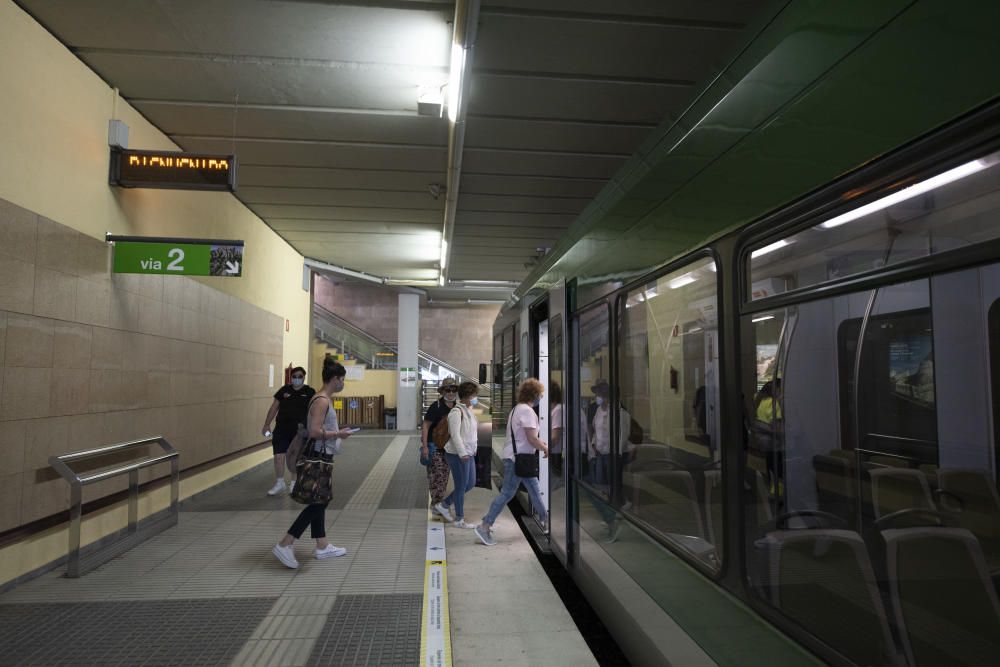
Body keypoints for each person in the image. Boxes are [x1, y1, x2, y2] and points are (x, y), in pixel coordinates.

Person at [272, 359, 354, 569]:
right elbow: (315, 431)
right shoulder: (322, 400)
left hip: (323, 455)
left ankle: (322, 545)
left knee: (320, 500)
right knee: (319, 501)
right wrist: (339, 433)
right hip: (318, 456)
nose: (343, 383)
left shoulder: (321, 398)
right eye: (342, 379)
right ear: (335, 379)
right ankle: (286, 543)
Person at [474, 378, 549, 546]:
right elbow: (531, 438)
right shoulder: (528, 412)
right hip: (519, 460)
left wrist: (542, 445)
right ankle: (485, 525)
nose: (541, 397)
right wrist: (545, 448)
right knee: (508, 493)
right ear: (535, 394)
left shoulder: (517, 409)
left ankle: (546, 519)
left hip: (518, 459)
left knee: (534, 490)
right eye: (541, 394)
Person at [261, 366, 315, 495]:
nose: (297, 379)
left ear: (304, 377)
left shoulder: (309, 392)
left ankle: (294, 483)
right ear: (291, 377)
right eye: (294, 376)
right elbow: (274, 408)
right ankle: (280, 483)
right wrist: (266, 424)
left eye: (299, 376)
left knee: (295, 457)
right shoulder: (284, 390)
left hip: (299, 431)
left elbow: (314, 411)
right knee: (278, 456)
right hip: (281, 428)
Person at [438, 381, 479, 529]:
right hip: (457, 454)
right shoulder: (456, 412)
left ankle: (444, 504)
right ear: (467, 396)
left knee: (470, 483)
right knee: (461, 486)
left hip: (469, 453)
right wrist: (462, 453)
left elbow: (471, 433)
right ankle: (459, 519)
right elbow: (455, 435)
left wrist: (473, 449)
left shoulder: (469, 411)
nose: (475, 398)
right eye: (474, 395)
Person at [422, 377, 458, 521]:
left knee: (443, 478)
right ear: (443, 391)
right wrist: (424, 446)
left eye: (453, 389)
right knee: (437, 478)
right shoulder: (436, 406)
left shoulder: (457, 406)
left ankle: (438, 504)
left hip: (449, 449)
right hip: (435, 447)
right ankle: (437, 505)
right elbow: (425, 426)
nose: (450, 392)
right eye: (448, 390)